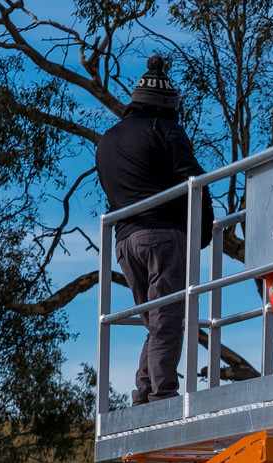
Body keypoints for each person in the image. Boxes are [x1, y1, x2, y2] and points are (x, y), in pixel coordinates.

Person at [96, 54, 214, 406]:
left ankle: (145, 394)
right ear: (167, 106)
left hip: (124, 242)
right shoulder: (165, 129)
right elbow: (196, 181)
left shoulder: (107, 140)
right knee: (167, 318)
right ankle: (163, 396)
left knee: (155, 320)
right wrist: (203, 230)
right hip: (162, 236)